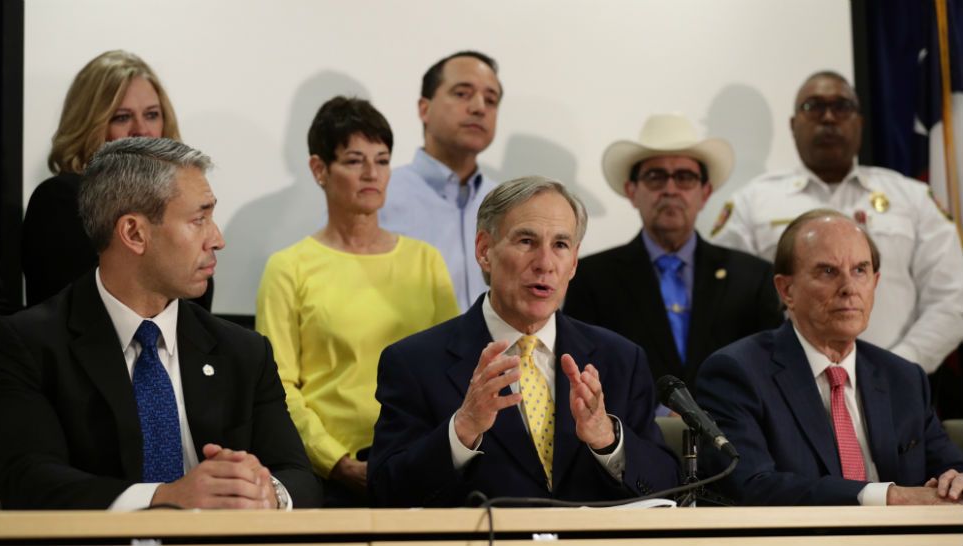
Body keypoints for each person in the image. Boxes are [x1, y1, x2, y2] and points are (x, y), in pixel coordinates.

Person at [0, 138, 320, 510]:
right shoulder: (27, 345)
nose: (217, 239)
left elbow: (298, 476)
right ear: (134, 233)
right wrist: (163, 499)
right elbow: (28, 480)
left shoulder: (243, 352)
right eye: (199, 220)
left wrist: (267, 494)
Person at [369, 176, 679, 507]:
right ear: (485, 251)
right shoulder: (414, 362)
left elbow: (668, 488)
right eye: (527, 241)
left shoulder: (620, 360)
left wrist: (608, 440)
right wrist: (461, 430)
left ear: (573, 262)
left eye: (560, 245)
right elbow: (386, 494)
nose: (545, 264)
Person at [256, 96, 459, 507]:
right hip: (328, 474)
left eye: (382, 160)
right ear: (319, 169)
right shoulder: (288, 268)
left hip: (420, 462)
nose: (372, 174)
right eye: (354, 161)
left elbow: (452, 370)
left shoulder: (425, 261)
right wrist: (336, 462)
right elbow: (280, 389)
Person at [697, 209, 963, 506]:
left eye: (860, 270)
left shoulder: (903, 378)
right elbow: (751, 485)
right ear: (786, 290)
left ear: (875, 283)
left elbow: (950, 468)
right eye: (828, 271)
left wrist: (956, 481)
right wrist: (886, 496)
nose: (849, 288)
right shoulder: (737, 373)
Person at [711, 71, 963, 374]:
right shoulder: (750, 204)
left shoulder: (913, 198)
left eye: (842, 107)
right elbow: (726, 303)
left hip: (897, 391)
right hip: (784, 390)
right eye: (813, 107)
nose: (828, 117)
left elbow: (953, 296)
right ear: (793, 126)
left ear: (859, 122)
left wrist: (900, 367)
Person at [565, 113, 782, 392]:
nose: (670, 189)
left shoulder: (753, 276)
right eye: (656, 177)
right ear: (632, 191)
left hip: (733, 429)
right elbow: (582, 371)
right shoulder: (591, 278)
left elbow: (771, 370)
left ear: (705, 193)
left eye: (684, 177)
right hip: (632, 430)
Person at [22, 50, 212, 309]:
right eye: (122, 117)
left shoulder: (181, 200)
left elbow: (197, 308)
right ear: (89, 124)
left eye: (152, 114)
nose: (142, 130)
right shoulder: (60, 200)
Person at [378, 50, 502, 312]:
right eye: (462, 94)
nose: (479, 107)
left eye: (491, 100)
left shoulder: (506, 204)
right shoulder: (379, 196)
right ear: (424, 109)